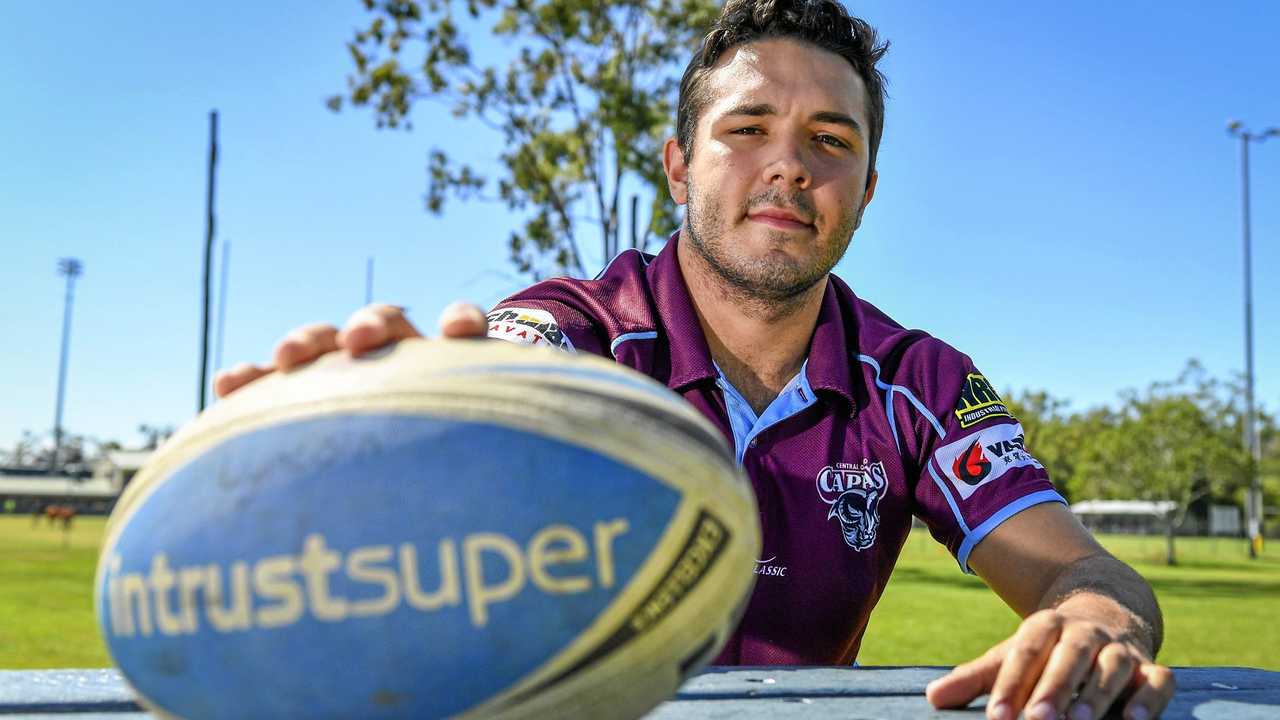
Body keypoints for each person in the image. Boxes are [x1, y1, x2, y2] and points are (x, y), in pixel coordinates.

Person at [216, 1, 1174, 717]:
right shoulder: (576, 332)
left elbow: (1082, 572)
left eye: (828, 141)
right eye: (747, 128)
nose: (789, 166)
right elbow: (484, 415)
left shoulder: (917, 381)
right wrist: (376, 440)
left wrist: (1095, 620)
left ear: (868, 190)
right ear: (678, 165)